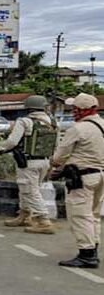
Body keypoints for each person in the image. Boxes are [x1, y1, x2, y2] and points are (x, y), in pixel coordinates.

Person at [51, 93, 103, 268]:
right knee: (94, 214)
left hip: (82, 177)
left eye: (74, 109)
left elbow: (60, 155)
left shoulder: (78, 129)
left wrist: (56, 166)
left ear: (81, 110)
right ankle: (93, 248)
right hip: (100, 175)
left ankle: (86, 254)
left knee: (80, 215)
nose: (72, 112)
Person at [0, 95, 56, 233]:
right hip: (45, 161)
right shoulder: (51, 121)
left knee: (30, 191)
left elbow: (12, 142)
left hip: (28, 162)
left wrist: (0, 149)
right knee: (28, 189)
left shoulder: (24, 121)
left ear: (28, 107)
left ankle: (44, 221)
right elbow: (55, 143)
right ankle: (24, 215)